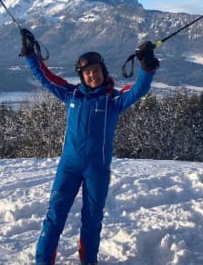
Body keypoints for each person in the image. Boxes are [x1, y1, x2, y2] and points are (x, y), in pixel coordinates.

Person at [19, 28, 159, 265]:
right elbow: (46, 78)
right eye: (87, 73)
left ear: (103, 72)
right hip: (69, 168)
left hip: (97, 170)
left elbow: (137, 90)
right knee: (54, 217)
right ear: (81, 77)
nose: (92, 76)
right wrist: (31, 53)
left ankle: (88, 261)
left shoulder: (113, 100)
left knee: (92, 220)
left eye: (96, 71)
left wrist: (146, 67)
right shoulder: (72, 95)